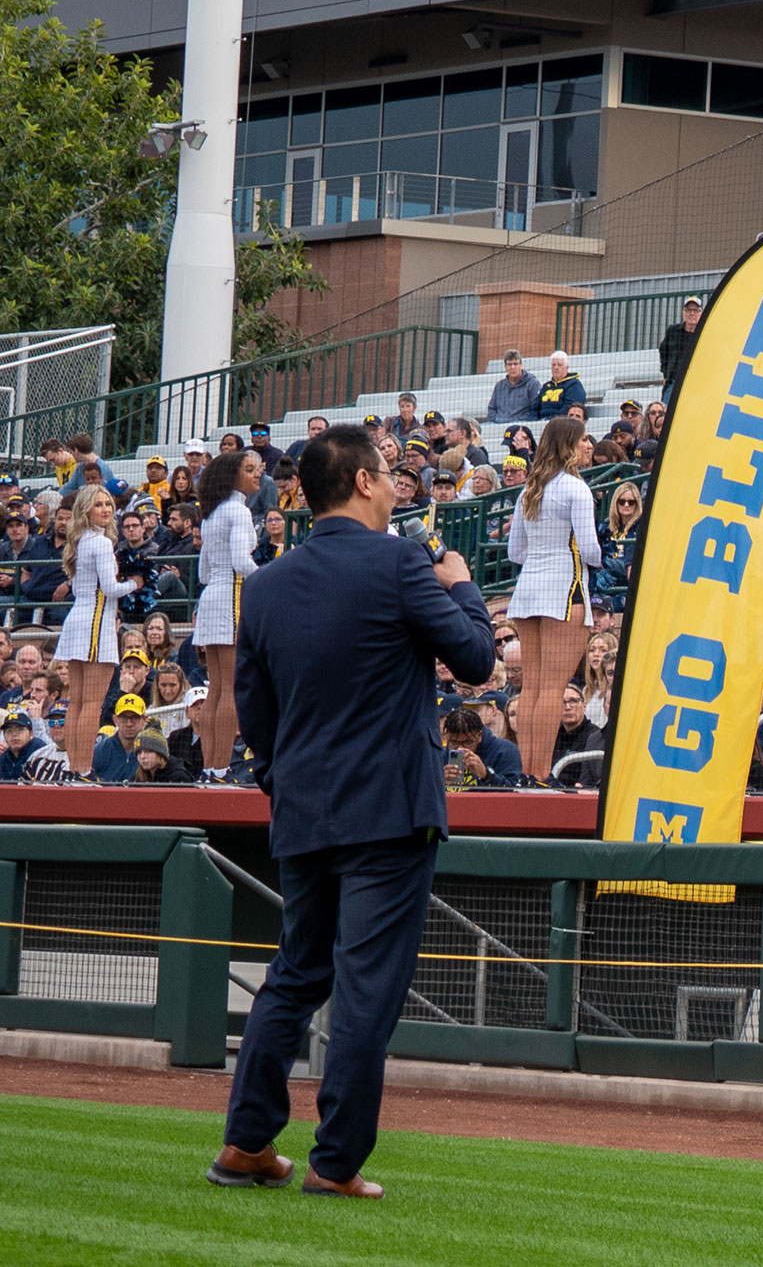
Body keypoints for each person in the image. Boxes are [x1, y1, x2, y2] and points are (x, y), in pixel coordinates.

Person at [215, 422, 494, 1198]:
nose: (394, 481)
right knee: (365, 988)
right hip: (389, 816)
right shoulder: (404, 562)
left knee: (296, 973)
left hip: (304, 813)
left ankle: (245, 1143)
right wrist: (462, 583)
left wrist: (287, 783)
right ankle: (334, 1162)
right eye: (386, 471)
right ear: (365, 482)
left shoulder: (265, 584)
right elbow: (476, 658)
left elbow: (255, 714)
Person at [505, 417, 600, 783]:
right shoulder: (576, 489)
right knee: (552, 688)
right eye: (583, 440)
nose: (587, 446)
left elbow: (516, 551)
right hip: (564, 588)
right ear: (569, 445)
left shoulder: (530, 487)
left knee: (531, 686)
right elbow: (590, 550)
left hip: (528, 590)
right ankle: (542, 774)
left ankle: (527, 772)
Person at [55, 484, 136, 780]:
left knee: (76, 700)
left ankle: (74, 768)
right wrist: (136, 583)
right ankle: (84, 768)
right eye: (99, 504)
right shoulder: (100, 543)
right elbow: (111, 588)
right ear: (85, 510)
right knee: (91, 702)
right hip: (95, 623)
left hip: (79, 617)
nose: (106, 509)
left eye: (109, 505)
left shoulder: (81, 540)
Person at [193, 448, 263, 779]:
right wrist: (270, 577)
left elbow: (203, 571)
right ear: (233, 475)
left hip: (212, 596)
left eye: (258, 468)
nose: (257, 473)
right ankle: (220, 770)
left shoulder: (212, 513)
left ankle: (210, 768)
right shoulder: (237, 511)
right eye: (249, 469)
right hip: (232, 596)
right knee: (232, 688)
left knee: (216, 687)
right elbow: (241, 562)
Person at [658, 295, 704, 389]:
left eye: (695, 310)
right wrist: (666, 374)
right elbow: (663, 351)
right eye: (688, 310)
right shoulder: (673, 331)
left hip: (697, 383)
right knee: (667, 403)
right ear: (683, 313)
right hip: (674, 382)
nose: (692, 313)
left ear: (701, 313)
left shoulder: (705, 333)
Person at [533, 351, 586, 420]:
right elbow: (535, 408)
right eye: (553, 365)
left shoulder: (574, 385)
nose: (556, 367)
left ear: (566, 367)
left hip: (561, 423)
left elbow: (570, 408)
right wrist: (533, 420)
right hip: (541, 422)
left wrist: (552, 420)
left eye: (559, 365)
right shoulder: (546, 386)